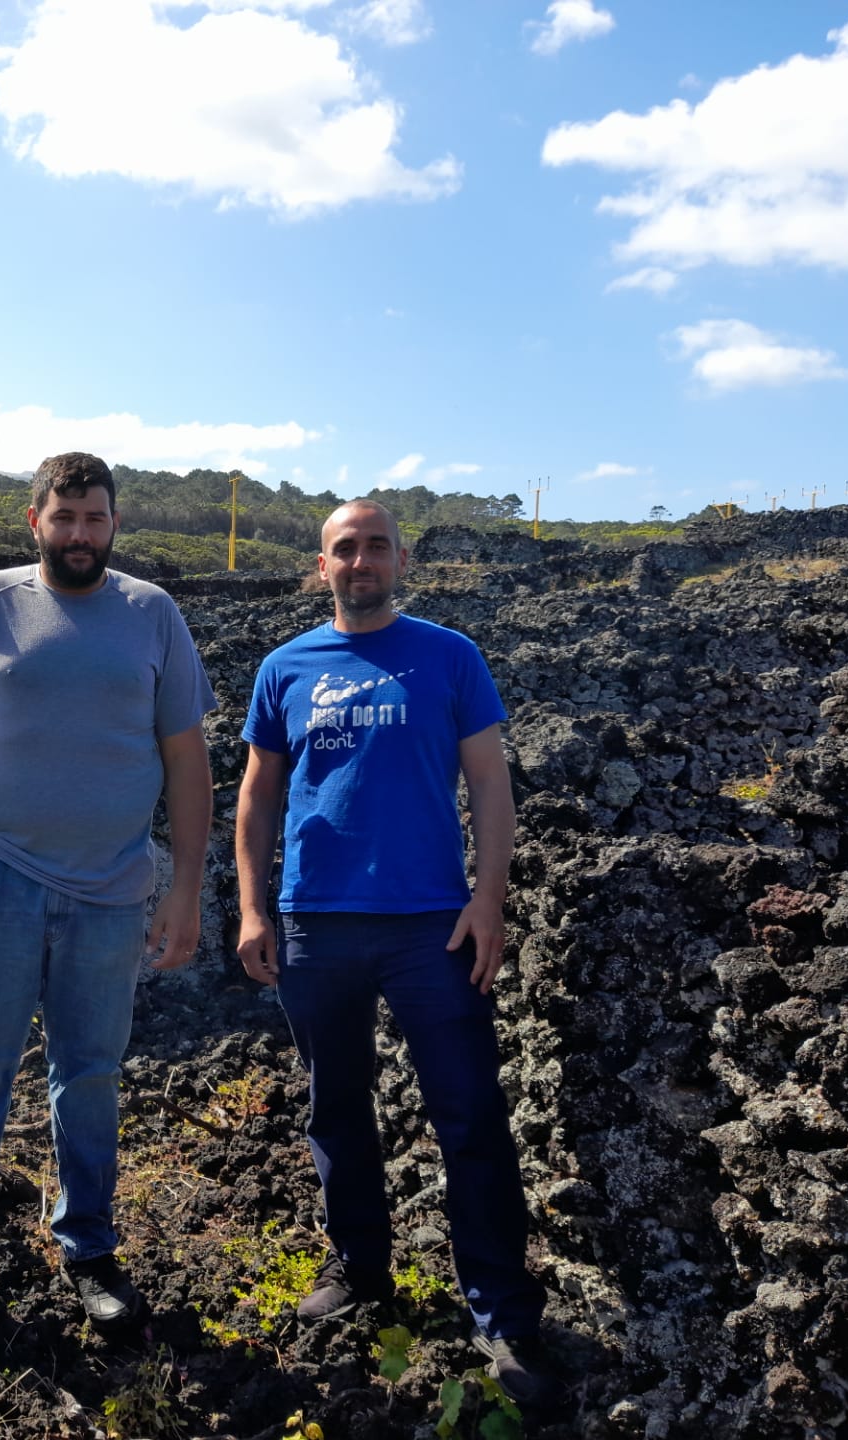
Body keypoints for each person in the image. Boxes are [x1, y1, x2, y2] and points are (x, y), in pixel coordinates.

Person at [233, 499, 561, 1407]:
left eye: (377, 546)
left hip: (432, 926)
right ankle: (361, 1270)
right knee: (336, 1107)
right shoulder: (285, 667)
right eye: (345, 548)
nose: (362, 560)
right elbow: (258, 795)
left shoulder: (450, 656)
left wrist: (488, 899)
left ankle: (503, 1313)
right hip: (315, 923)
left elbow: (489, 780)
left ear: (400, 560)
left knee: (470, 1114)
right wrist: (253, 908)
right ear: (323, 565)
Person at [0, 451, 215, 1331]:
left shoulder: (153, 615)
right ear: (34, 520)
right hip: (0, 875)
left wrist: (186, 888)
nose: (80, 533)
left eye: (95, 518)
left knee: (90, 1075)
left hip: (113, 887)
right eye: (64, 517)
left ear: (115, 524)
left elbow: (188, 760)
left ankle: (90, 1248)